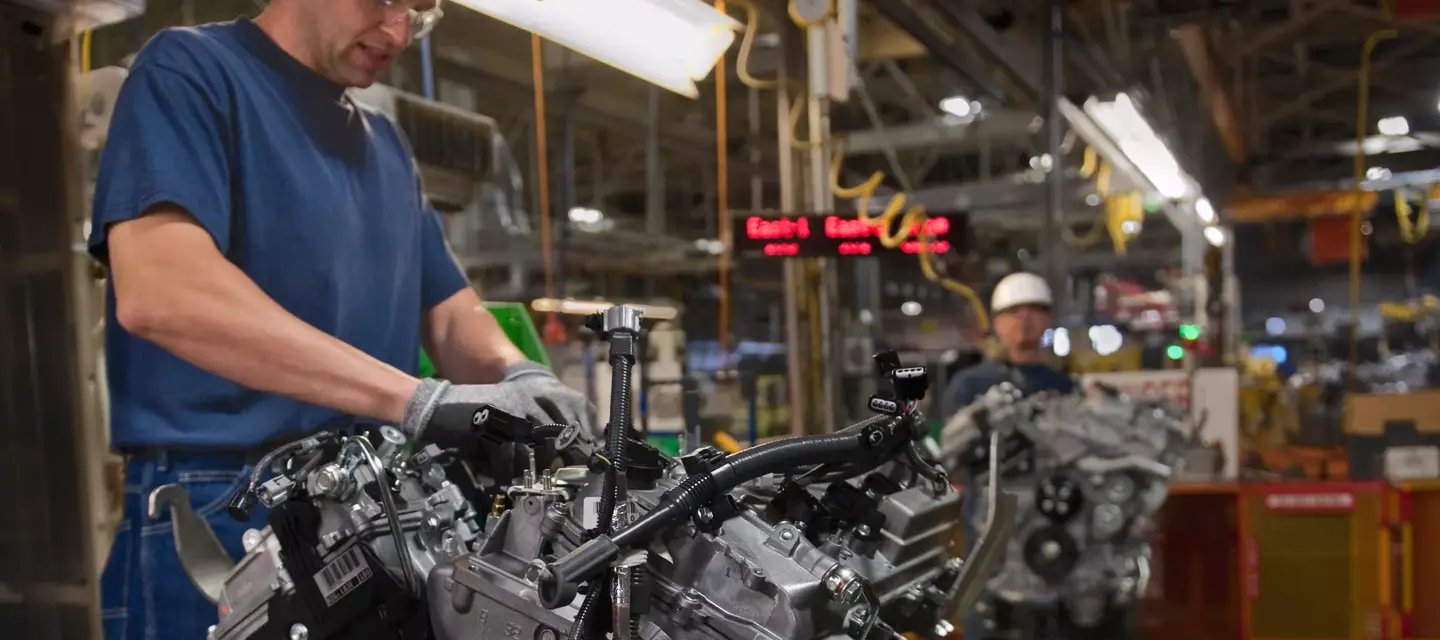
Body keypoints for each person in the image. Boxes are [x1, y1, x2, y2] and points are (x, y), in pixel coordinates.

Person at [90, 1, 590, 638]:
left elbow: (448, 312)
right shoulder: (190, 72)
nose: (400, 31)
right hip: (228, 506)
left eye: (420, 10)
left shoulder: (386, 145)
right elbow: (164, 292)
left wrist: (519, 375)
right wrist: (418, 400)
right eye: (382, 0)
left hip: (371, 502)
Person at [937, 272, 1073, 640]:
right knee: (986, 609)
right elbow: (949, 454)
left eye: (1034, 310)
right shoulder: (970, 384)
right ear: (997, 322)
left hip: (1049, 517)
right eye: (1014, 311)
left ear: (1047, 319)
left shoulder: (1063, 384)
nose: (1024, 319)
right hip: (989, 519)